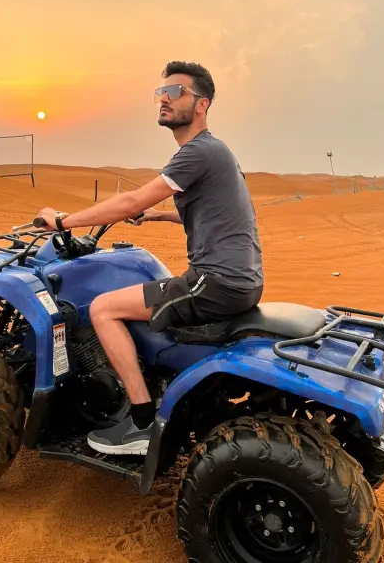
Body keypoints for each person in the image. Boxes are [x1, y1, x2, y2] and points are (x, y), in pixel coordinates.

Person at [36, 61, 264, 456]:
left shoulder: (197, 152)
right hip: (238, 281)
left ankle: (141, 420)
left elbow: (130, 200)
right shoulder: (216, 153)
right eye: (161, 93)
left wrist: (62, 221)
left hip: (215, 282)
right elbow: (216, 212)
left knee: (104, 309)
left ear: (202, 104)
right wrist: (160, 215)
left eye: (176, 92)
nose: (164, 99)